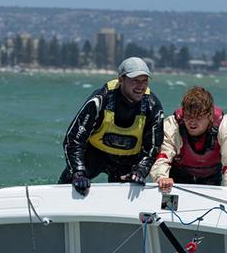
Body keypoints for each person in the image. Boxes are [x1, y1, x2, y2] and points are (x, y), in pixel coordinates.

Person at [59, 56, 164, 195]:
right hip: (93, 155)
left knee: (133, 185)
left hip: (126, 161)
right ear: (121, 80)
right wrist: (78, 172)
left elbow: (152, 149)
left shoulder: (152, 106)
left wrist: (140, 170)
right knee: (71, 180)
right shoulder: (101, 99)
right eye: (135, 81)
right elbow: (74, 140)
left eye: (144, 81)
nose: (141, 86)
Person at [150, 86, 227, 190]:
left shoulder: (225, 125)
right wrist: (161, 177)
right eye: (188, 116)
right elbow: (162, 158)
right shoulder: (173, 125)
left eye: (198, 116)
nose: (192, 122)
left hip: (210, 178)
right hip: (177, 178)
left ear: (209, 115)